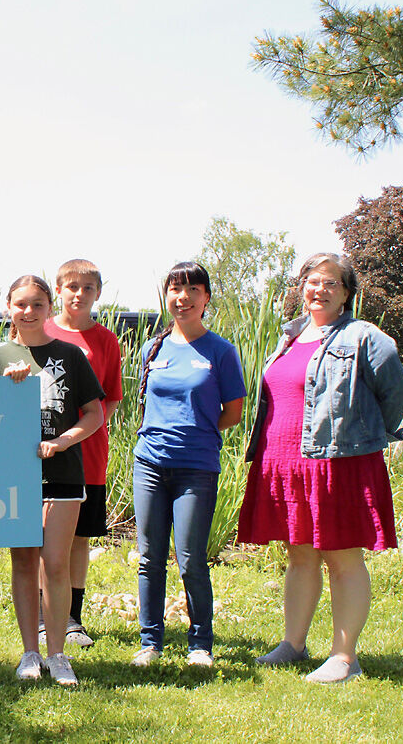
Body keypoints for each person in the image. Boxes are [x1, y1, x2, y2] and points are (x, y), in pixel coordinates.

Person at [237, 253, 403, 684]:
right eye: (313, 281)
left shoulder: (364, 337)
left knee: (342, 557)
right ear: (302, 287)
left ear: (347, 292)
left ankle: (345, 658)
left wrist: (366, 437)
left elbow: (395, 393)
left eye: (331, 283)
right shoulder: (290, 336)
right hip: (286, 462)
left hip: (338, 465)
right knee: (299, 555)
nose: (320, 290)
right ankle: (293, 645)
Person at [0, 275, 104, 686]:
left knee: (55, 564)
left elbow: (94, 414)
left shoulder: (69, 354)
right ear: (8, 309)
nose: (29, 311)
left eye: (37, 304)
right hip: (15, 475)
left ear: (49, 307)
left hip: (64, 475)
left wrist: (63, 441)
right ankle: (29, 653)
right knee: (23, 564)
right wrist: (5, 387)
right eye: (21, 304)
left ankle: (58, 654)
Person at [131, 262, 245, 669]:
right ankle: (150, 642)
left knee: (191, 557)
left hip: (196, 468)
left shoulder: (221, 351)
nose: (183, 297)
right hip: (150, 464)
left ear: (206, 298)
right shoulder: (153, 348)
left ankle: (200, 644)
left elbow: (233, 410)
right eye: (175, 289)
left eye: (192, 289)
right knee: (149, 556)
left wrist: (196, 431)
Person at [43, 259, 123, 648]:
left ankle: (71, 618)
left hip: (87, 453)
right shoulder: (39, 329)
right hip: (37, 453)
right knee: (38, 534)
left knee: (77, 536)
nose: (78, 294)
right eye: (71, 286)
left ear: (98, 293)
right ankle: (42, 615)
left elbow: (109, 399)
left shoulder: (106, 340)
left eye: (87, 288)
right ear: (58, 290)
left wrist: (76, 434)